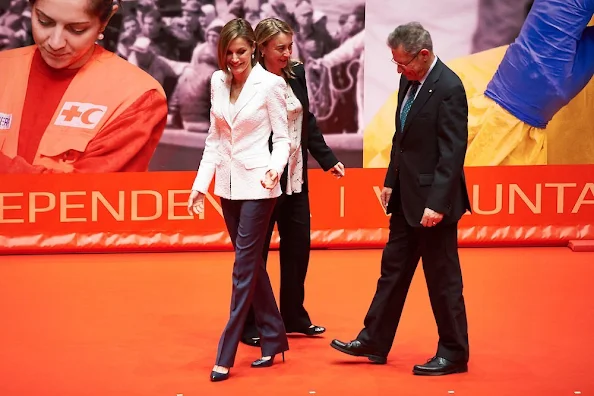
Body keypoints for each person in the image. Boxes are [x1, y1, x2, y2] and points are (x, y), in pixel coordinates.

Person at [330, 22, 471, 376]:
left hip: (433, 205)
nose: (398, 69)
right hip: (405, 198)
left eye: (403, 63)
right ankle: (375, 340)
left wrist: (437, 204)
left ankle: (454, 352)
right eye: (395, 63)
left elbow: (452, 154)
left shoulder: (450, 88)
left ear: (423, 55)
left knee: (443, 281)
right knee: (391, 273)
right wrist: (390, 180)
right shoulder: (409, 80)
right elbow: (401, 137)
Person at [186, 18, 291, 383]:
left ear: (253, 49)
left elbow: (284, 139)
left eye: (241, 51)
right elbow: (214, 140)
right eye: (228, 53)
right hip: (228, 187)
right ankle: (275, 338)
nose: (234, 59)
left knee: (243, 269)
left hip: (260, 185)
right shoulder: (217, 82)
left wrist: (275, 169)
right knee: (250, 266)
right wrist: (200, 185)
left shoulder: (271, 85)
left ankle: (225, 353)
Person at [238, 17, 345, 348]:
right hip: (263, 180)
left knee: (298, 248)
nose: (287, 54)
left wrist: (328, 159)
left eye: (290, 46)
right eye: (280, 48)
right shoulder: (249, 81)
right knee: (256, 254)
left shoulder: (295, 73)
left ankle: (293, 315)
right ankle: (249, 323)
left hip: (296, 179)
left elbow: (307, 120)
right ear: (262, 48)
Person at [0, 0, 167, 173]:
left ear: (106, 19)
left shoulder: (136, 95)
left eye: (77, 29)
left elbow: (84, 193)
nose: (56, 43)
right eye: (44, 21)